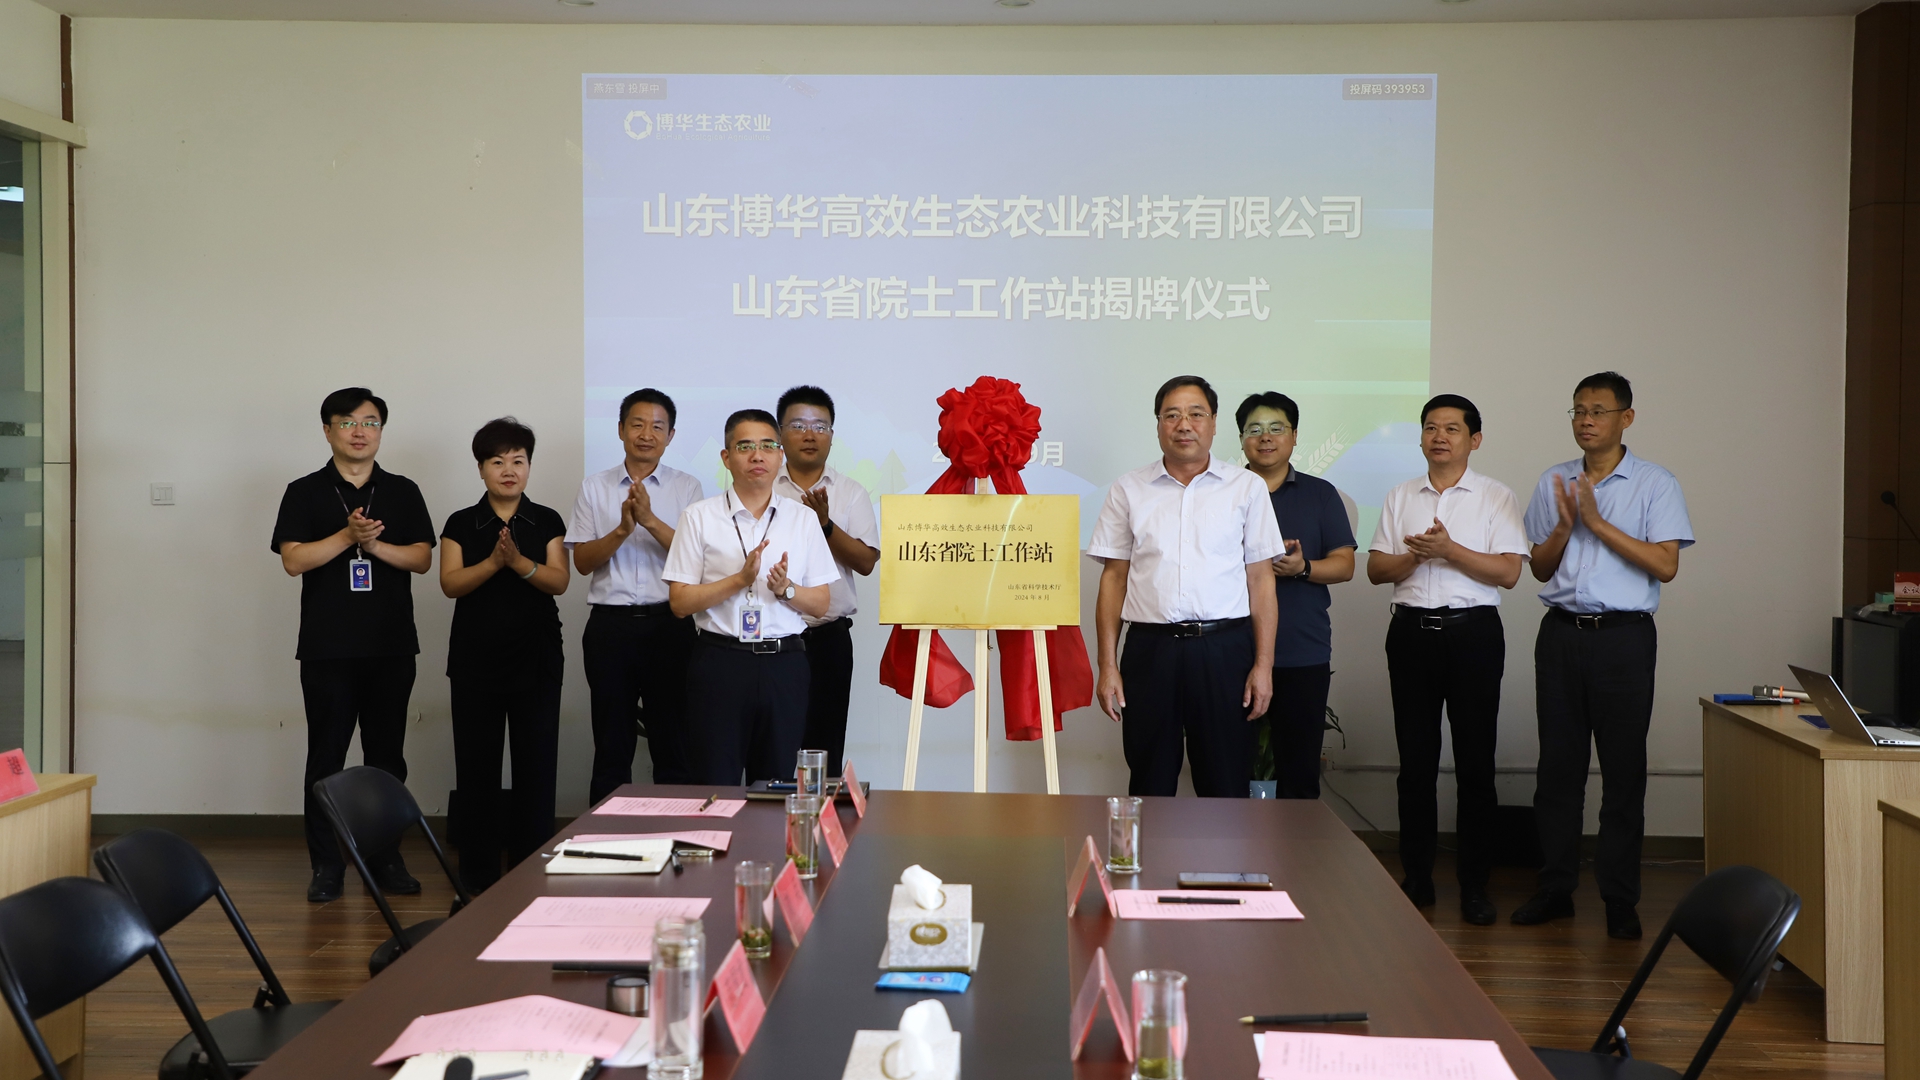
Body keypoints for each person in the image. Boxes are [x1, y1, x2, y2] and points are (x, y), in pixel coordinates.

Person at [1513, 372, 1692, 940]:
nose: (1586, 420)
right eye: (1578, 411)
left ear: (1625, 418)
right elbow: (1540, 568)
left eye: (1597, 411)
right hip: (1561, 635)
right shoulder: (1554, 480)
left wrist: (1596, 523)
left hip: (1623, 639)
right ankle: (1555, 888)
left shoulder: (1655, 483)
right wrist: (1566, 526)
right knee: (1557, 769)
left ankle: (1619, 898)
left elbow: (1665, 565)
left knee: (1622, 772)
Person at [1366, 394, 1528, 926]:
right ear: (1420, 438)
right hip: (1410, 634)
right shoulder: (1400, 496)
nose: (1439, 436)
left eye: (1452, 429)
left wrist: (1449, 550)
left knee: (1476, 766)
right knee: (1415, 766)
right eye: (1431, 427)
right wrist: (1418, 556)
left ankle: (1475, 886)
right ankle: (1416, 879)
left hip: (1473, 635)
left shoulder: (1495, 496)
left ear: (1474, 440)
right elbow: (1376, 570)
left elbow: (1509, 573)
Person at [271, 388, 434, 903]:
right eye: (347, 422)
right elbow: (293, 560)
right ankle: (326, 866)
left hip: (391, 646)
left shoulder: (403, 490)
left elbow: (422, 559)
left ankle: (385, 858)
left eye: (370, 422)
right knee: (326, 760)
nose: (359, 431)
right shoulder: (304, 491)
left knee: (387, 760)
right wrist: (346, 536)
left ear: (381, 430)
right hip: (327, 649)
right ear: (327, 430)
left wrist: (374, 544)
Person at [1089, 376, 1284, 798]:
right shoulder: (1129, 489)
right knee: (1150, 780)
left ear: (1213, 423)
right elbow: (1114, 578)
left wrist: (1263, 666)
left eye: (1196, 414)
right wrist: (1107, 665)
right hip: (1150, 651)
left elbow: (1261, 580)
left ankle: (1224, 848)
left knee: (1225, 782)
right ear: (1158, 424)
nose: (1184, 425)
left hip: (1224, 651)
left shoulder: (1245, 487)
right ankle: (1150, 847)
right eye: (1172, 415)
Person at [663, 410, 838, 784]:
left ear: (780, 455)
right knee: (715, 783)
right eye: (744, 447)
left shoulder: (803, 519)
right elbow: (679, 603)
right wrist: (738, 580)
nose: (757, 455)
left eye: (767, 446)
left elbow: (822, 603)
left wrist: (786, 590)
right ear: (727, 458)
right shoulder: (698, 517)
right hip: (720, 664)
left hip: (784, 665)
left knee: (776, 786)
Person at [437, 418, 569, 893]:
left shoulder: (547, 520)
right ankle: (478, 878)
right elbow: (450, 584)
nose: (509, 470)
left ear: (529, 466)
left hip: (537, 658)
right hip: (475, 660)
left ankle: (532, 874)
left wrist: (518, 562)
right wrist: (495, 562)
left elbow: (559, 581)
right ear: (481, 469)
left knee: (537, 769)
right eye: (497, 461)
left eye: (518, 460)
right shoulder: (460, 523)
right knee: (477, 771)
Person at [566, 389, 705, 802]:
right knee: (612, 743)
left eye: (657, 426)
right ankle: (606, 834)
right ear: (621, 430)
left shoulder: (687, 487)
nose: (647, 434)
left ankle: (678, 832)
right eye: (638, 424)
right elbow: (582, 562)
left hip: (671, 625)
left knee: (673, 743)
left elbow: (697, 559)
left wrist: (648, 520)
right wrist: (623, 530)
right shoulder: (595, 487)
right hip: (611, 628)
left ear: (671, 435)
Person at [1236, 392, 1356, 799]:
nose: (1265, 437)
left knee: (1299, 772)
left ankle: (1297, 844)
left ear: (1295, 435)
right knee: (1228, 769)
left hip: (1301, 651)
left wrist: (1302, 568)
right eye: (1254, 429)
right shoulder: (1223, 493)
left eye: (1276, 428)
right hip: (1231, 652)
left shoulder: (1321, 494)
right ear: (1240, 438)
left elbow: (1344, 565)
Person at [772, 386, 880, 779]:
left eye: (820, 426)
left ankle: (819, 819)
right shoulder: (762, 488)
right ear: (780, 433)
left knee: (825, 749)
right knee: (772, 749)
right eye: (798, 425)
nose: (810, 434)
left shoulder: (850, 492)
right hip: (773, 640)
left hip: (828, 640)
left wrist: (825, 525)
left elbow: (866, 562)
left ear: (832, 436)